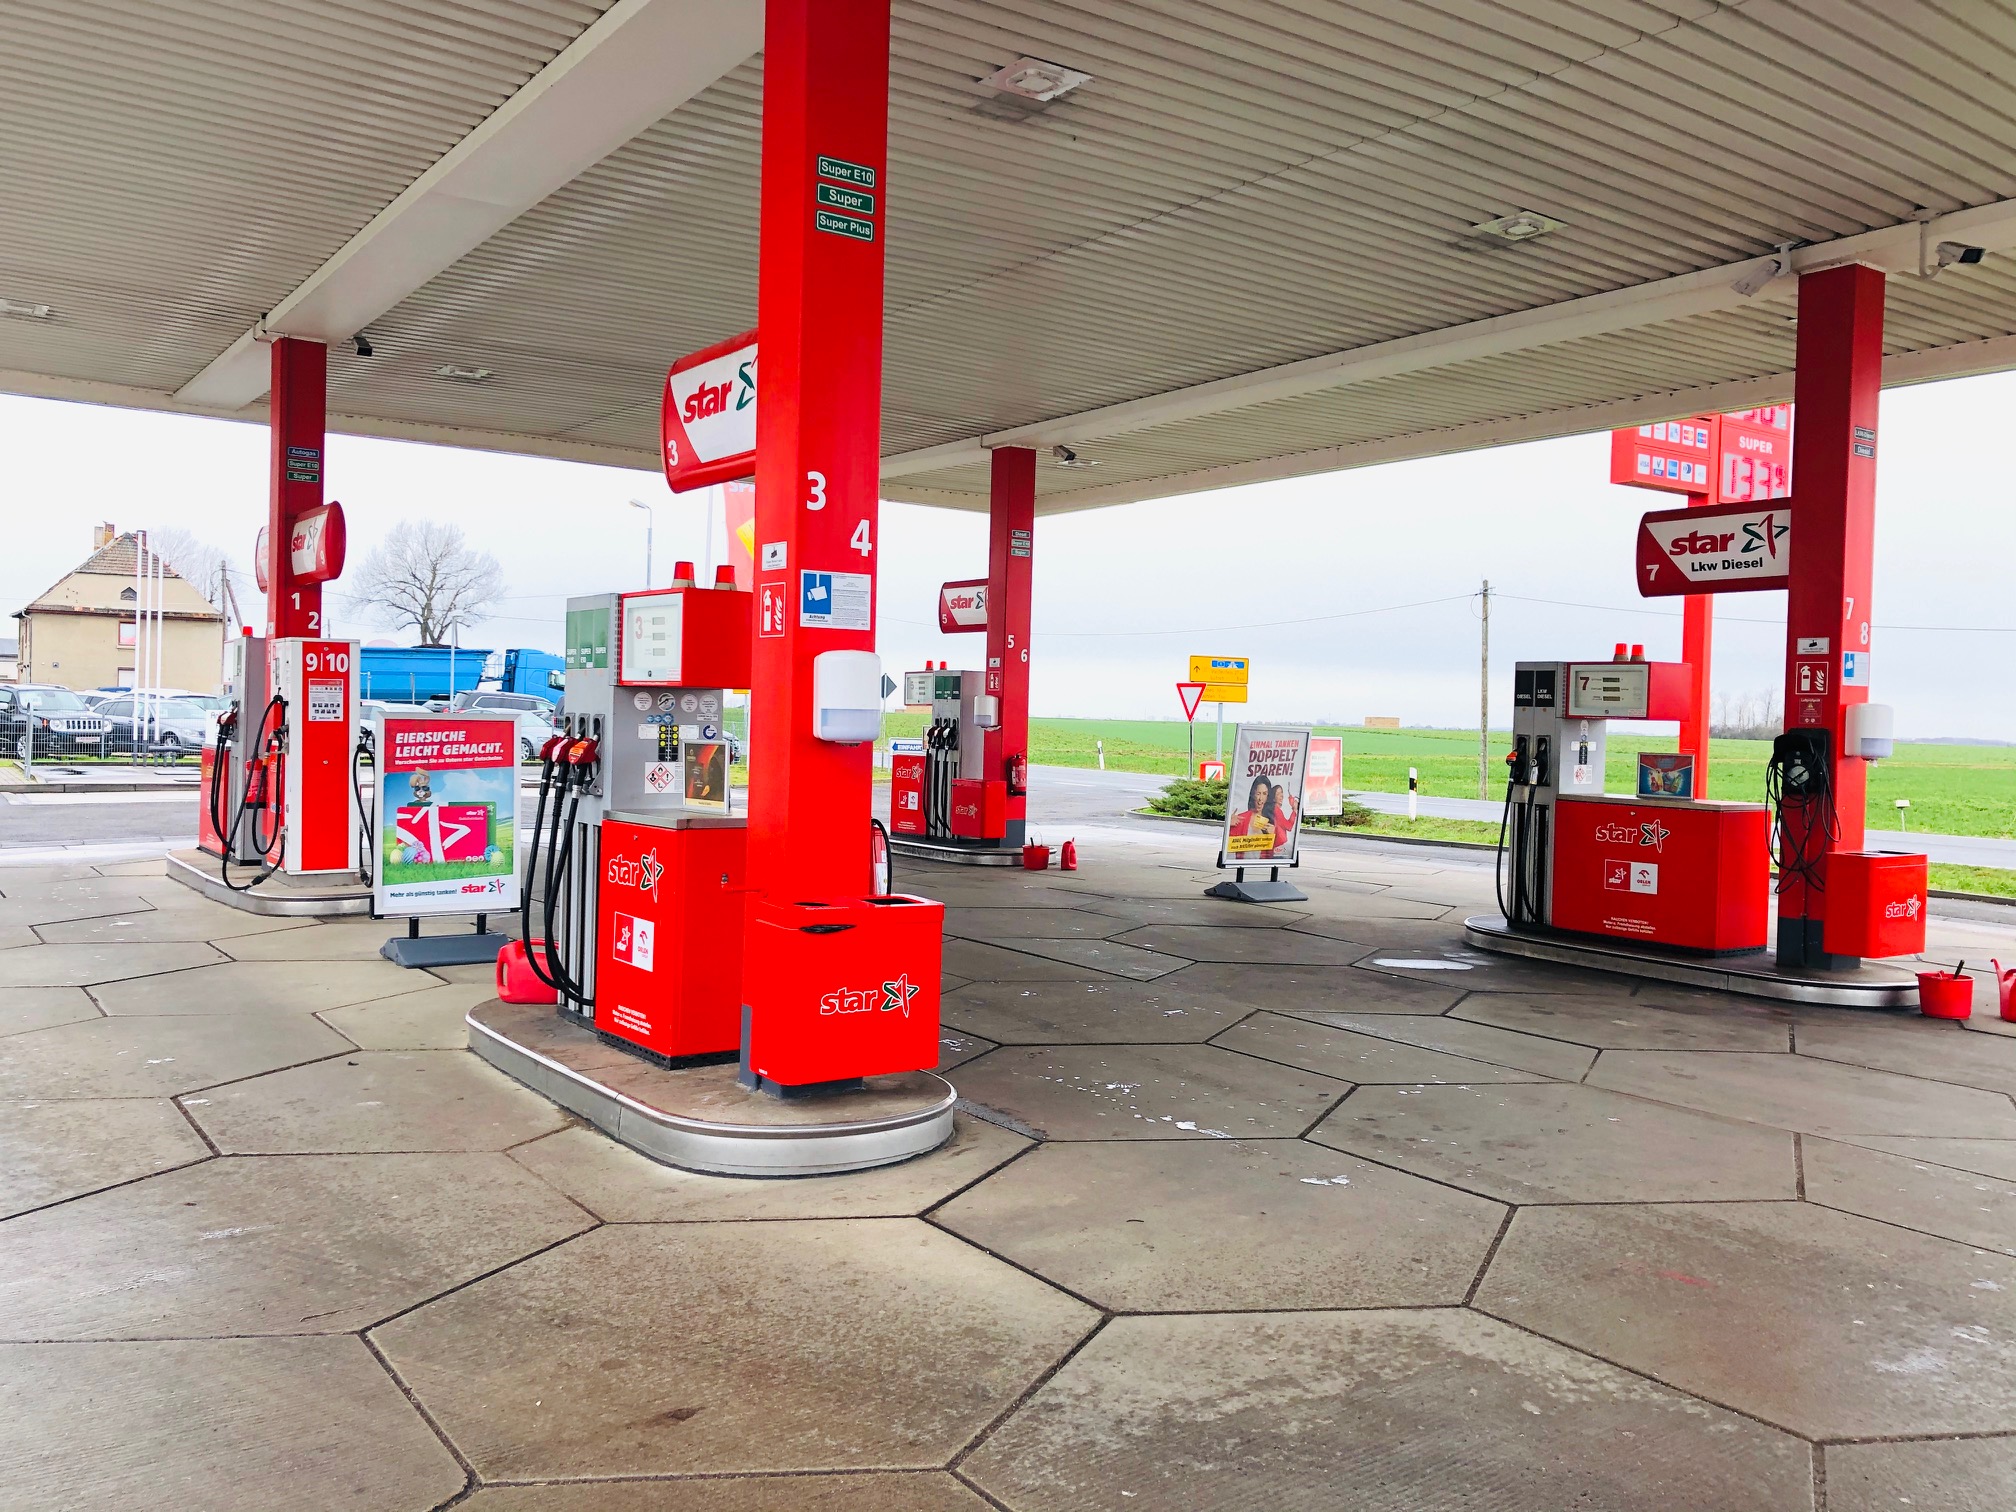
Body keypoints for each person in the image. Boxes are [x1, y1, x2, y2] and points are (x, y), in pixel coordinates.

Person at [1228, 773, 1276, 851]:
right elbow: (1230, 846)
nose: (1260, 798)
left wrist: (1272, 836)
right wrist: (1229, 825)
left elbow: (1277, 852)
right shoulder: (1241, 818)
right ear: (1253, 795)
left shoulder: (1272, 820)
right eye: (1258, 793)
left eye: (1264, 794)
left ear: (1268, 796)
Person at [1267, 780, 1298, 857]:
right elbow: (1289, 826)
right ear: (1273, 798)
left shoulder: (1274, 809)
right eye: (1278, 794)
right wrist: (1294, 810)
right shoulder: (1276, 811)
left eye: (1281, 792)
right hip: (1278, 846)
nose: (1281, 795)